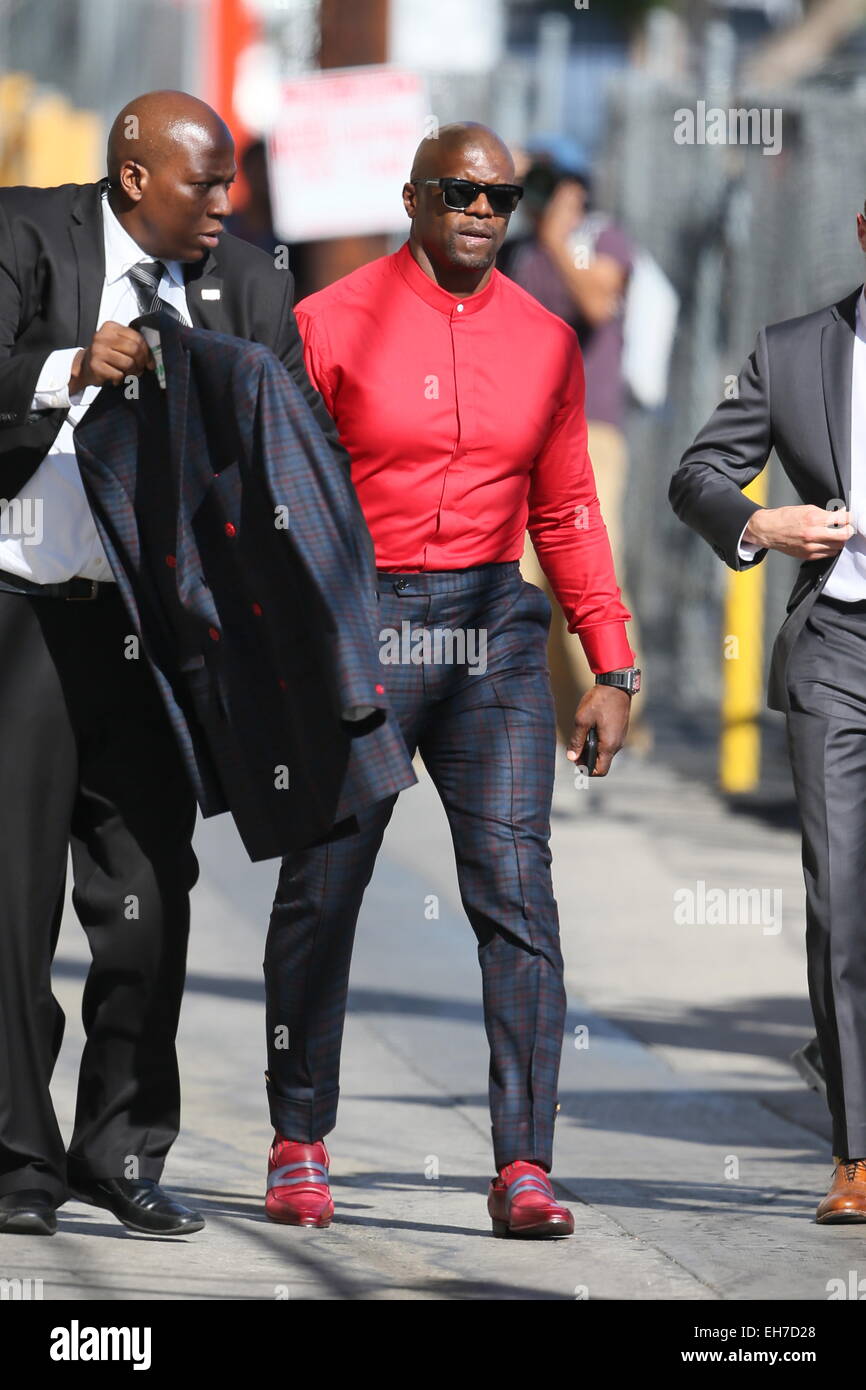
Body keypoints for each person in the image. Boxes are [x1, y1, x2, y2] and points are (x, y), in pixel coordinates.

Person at [262, 122, 640, 1237]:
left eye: (501, 197)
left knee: (516, 889)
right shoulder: (327, 323)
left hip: (491, 630)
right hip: (362, 620)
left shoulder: (545, 340)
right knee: (323, 889)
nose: (480, 210)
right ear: (416, 196)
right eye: (459, 191)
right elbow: (277, 505)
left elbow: (567, 508)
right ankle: (298, 1140)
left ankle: (523, 1163)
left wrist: (609, 658)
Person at [0, 89, 349, 1237]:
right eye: (204, 183)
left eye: (232, 184)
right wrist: (65, 370)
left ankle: (121, 1148)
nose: (223, 204)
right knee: (14, 907)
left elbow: (291, 452)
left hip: (153, 639)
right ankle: (18, 1162)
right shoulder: (24, 237)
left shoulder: (247, 286)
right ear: (135, 176)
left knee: (148, 903)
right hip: (23, 617)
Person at [670, 201, 866, 1223]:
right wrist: (760, 521)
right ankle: (855, 1155)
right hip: (836, 649)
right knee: (838, 897)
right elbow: (694, 473)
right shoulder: (794, 354)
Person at [501, 136, 646, 748]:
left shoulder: (603, 238)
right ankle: (567, 725)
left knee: (586, 568)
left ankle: (625, 715)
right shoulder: (513, 251)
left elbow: (597, 302)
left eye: (548, 183)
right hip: (522, 433)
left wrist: (560, 237)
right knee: (529, 578)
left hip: (590, 428)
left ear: (577, 188)